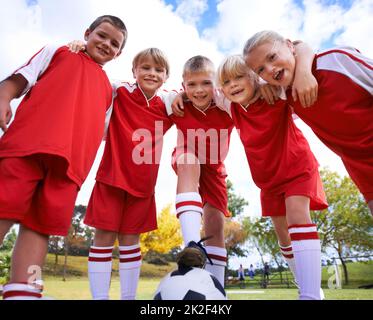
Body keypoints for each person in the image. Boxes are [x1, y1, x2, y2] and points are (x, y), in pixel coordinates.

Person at [0, 15, 127, 300]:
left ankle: (24, 289)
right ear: (87, 33)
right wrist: (4, 97)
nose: (106, 44)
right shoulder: (58, 51)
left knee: (40, 226)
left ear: (119, 53)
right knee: (3, 208)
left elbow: (104, 130)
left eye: (114, 43)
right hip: (27, 147)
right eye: (101, 36)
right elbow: (16, 80)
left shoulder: (110, 90)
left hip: (70, 167)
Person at [216, 54, 328, 300]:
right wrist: (178, 95)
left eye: (238, 77)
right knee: (283, 235)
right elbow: (200, 88)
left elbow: (299, 54)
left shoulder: (276, 93)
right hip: (268, 179)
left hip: (297, 165)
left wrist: (271, 83)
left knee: (298, 216)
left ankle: (310, 295)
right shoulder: (229, 104)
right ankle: (308, 287)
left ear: (254, 77)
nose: (232, 84)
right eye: (226, 82)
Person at [243, 30, 373, 217]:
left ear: (289, 46)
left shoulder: (336, 61)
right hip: (365, 175)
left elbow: (302, 46)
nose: (270, 69)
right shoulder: (284, 96)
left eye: (272, 57)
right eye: (260, 70)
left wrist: (304, 70)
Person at [83, 48, 174, 300]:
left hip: (144, 184)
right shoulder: (119, 90)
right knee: (103, 236)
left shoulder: (168, 103)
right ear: (133, 71)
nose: (151, 73)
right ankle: (100, 297)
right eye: (145, 67)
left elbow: (196, 93)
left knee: (130, 240)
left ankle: (128, 297)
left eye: (158, 69)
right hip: (111, 177)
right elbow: (92, 76)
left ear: (166, 76)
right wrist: (81, 48)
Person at [170, 55, 234, 288]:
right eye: (192, 85)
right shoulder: (176, 101)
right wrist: (177, 96)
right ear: (183, 85)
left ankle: (216, 289)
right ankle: (192, 247)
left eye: (206, 83)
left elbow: (251, 87)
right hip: (187, 154)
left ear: (216, 82)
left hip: (215, 165)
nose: (198, 90)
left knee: (215, 224)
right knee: (188, 161)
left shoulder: (227, 101)